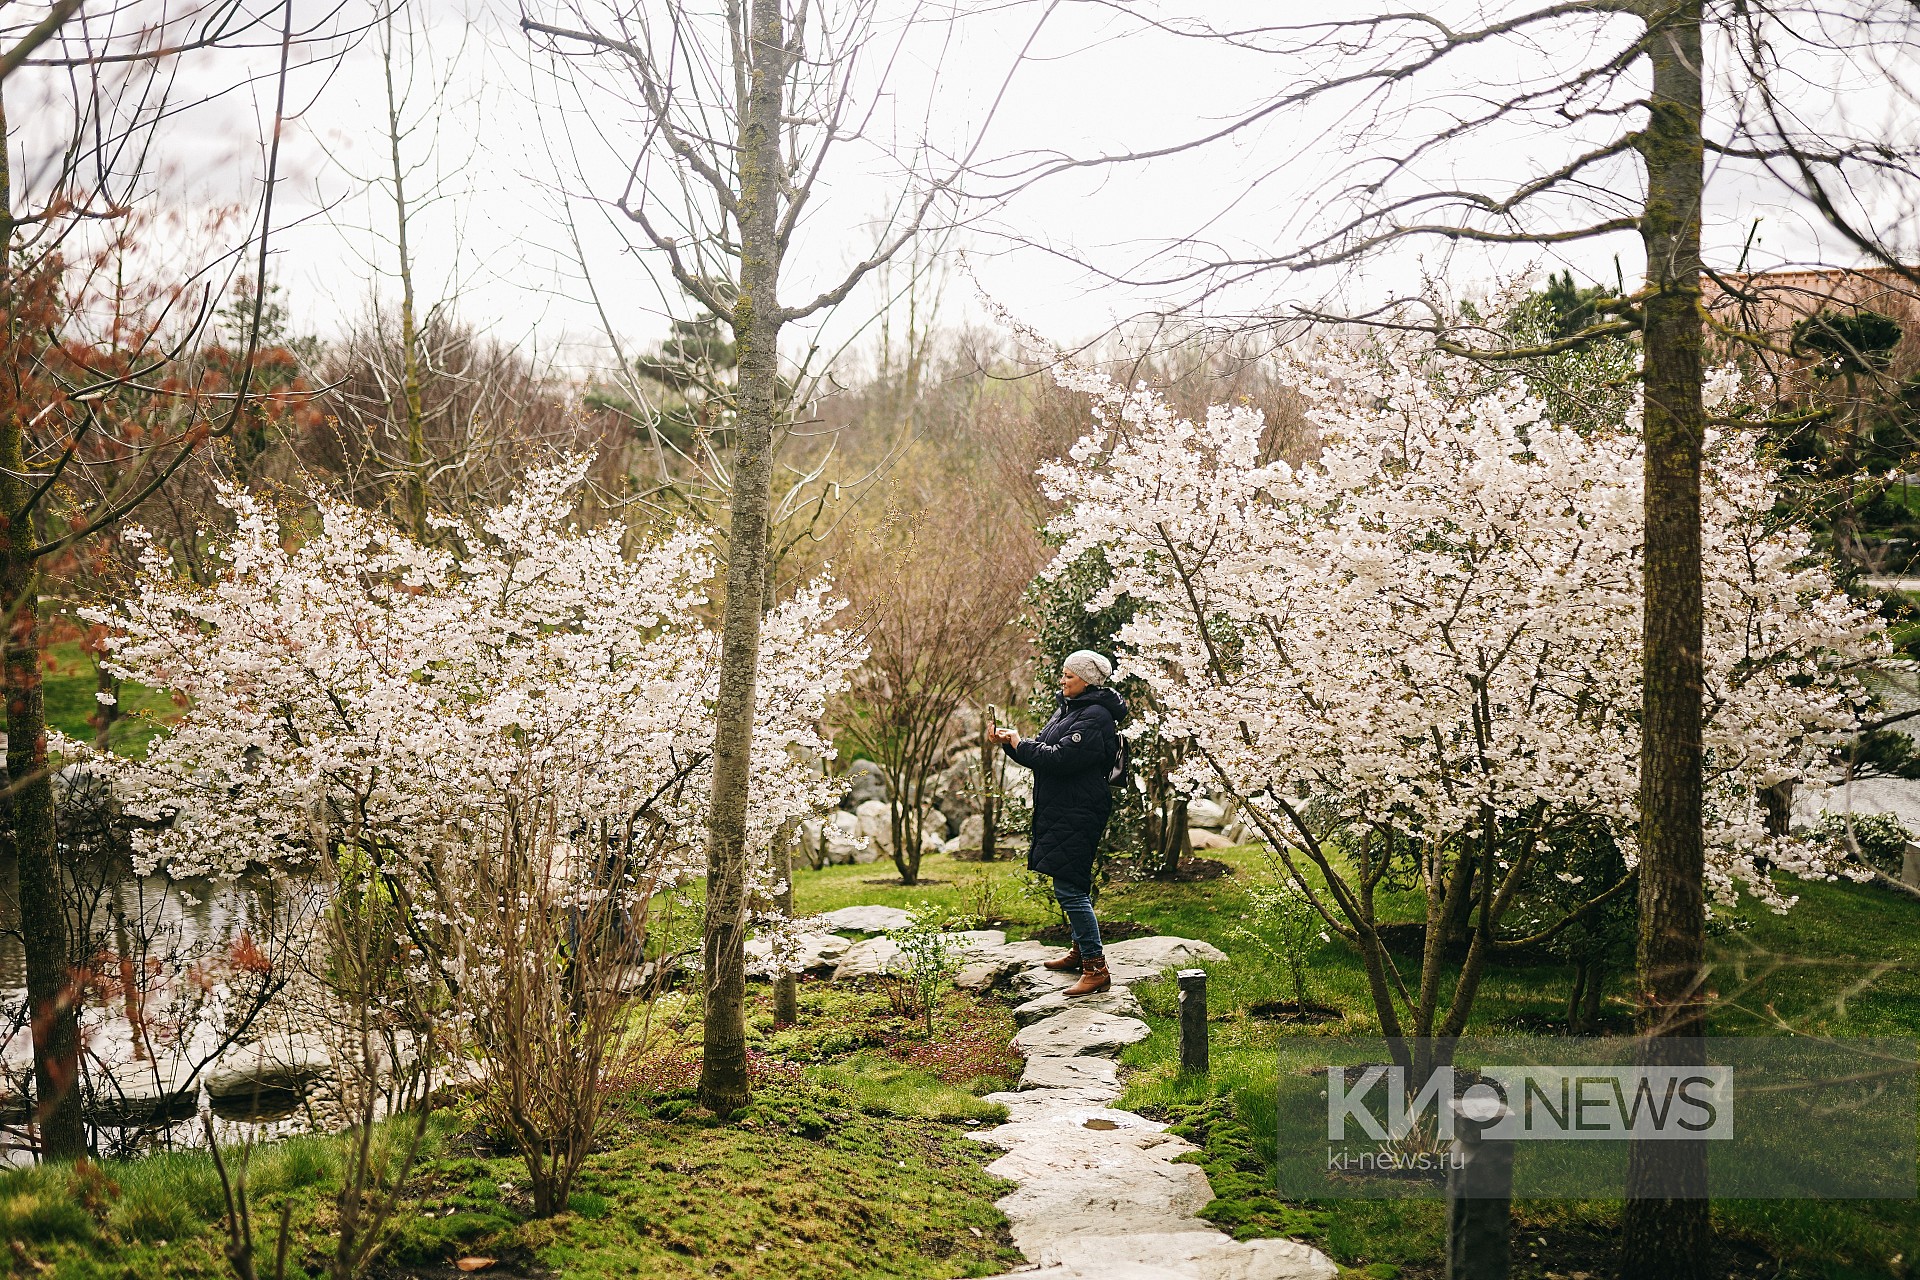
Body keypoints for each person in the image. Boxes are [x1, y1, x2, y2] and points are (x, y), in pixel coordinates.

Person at [991, 649, 1126, 997]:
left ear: (1088, 681)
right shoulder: (1072, 708)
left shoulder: (1095, 716)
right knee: (1068, 881)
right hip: (1063, 807)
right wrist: (1012, 742)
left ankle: (1096, 967)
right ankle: (1081, 952)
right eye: (1063, 674)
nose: (1062, 680)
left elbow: (1061, 759)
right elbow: (1044, 750)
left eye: (1069, 675)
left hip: (1080, 808)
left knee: (1071, 887)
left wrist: (1021, 743)